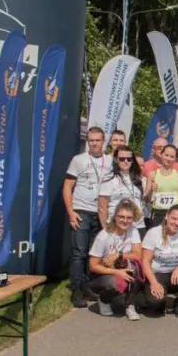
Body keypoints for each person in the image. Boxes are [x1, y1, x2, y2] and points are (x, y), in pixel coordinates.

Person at [64, 126, 113, 308]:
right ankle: (76, 290)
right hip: (81, 211)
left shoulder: (110, 161)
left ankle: (86, 286)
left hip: (100, 213)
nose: (94, 143)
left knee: (93, 253)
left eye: (97, 140)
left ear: (103, 141)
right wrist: (71, 212)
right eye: (91, 140)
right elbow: (67, 187)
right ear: (87, 141)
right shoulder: (79, 160)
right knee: (79, 253)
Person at [87, 199, 144, 320]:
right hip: (102, 274)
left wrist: (119, 255)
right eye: (121, 217)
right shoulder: (104, 235)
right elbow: (93, 266)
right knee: (114, 283)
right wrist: (117, 272)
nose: (125, 220)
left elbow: (138, 255)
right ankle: (104, 300)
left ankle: (130, 304)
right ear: (115, 217)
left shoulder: (133, 230)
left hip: (121, 267)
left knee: (138, 266)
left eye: (129, 218)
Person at [139, 204, 178, 317]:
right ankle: (144, 296)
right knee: (156, 302)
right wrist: (154, 283)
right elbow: (145, 261)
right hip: (158, 273)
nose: (177, 223)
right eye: (174, 218)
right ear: (167, 217)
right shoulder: (153, 233)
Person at [144, 144, 178, 230]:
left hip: (174, 214)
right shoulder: (152, 174)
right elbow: (147, 199)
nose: (168, 158)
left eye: (172, 157)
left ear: (175, 159)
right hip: (157, 213)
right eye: (166, 155)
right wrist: (151, 190)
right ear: (161, 155)